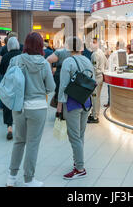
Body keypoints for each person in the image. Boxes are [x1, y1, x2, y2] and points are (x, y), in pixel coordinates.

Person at [6, 32, 55, 187]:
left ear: (25, 44)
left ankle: (11, 177)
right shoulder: (44, 63)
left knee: (19, 141)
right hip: (38, 107)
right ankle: (29, 179)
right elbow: (51, 87)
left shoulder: (15, 60)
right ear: (41, 45)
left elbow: (8, 81)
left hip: (19, 106)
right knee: (32, 143)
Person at [57, 37, 94, 180]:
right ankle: (77, 161)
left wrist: (59, 105)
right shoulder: (87, 61)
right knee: (80, 135)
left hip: (72, 103)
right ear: (81, 47)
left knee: (74, 136)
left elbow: (63, 86)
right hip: (86, 102)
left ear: (68, 48)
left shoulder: (68, 62)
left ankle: (80, 168)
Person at [0, 37, 23, 140]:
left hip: (8, 84)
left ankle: (9, 128)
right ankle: (21, 128)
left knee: (7, 105)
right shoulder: (22, 56)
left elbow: (1, 71)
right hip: (20, 84)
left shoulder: (5, 57)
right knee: (20, 104)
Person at [46, 40, 71, 109]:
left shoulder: (60, 52)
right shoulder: (76, 53)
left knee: (59, 91)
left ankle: (59, 111)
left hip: (60, 73)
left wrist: (51, 71)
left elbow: (48, 60)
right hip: (72, 74)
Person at [88, 38, 107, 124]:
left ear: (96, 44)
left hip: (96, 78)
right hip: (100, 77)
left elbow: (94, 69)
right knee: (97, 97)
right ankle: (95, 113)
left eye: (92, 43)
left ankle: (95, 116)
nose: (90, 45)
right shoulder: (101, 52)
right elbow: (106, 64)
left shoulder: (95, 54)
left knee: (94, 97)